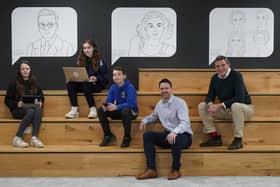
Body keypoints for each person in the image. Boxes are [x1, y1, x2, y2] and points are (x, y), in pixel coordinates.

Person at [136, 79, 193, 180]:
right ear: (160, 90)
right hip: (168, 135)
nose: (164, 90)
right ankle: (151, 169)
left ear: (171, 89)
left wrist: (175, 132)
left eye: (166, 88)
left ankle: (175, 170)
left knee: (175, 139)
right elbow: (154, 116)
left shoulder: (180, 103)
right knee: (148, 136)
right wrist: (144, 121)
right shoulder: (159, 104)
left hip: (184, 136)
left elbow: (185, 123)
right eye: (162, 89)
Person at [198, 55, 254, 150]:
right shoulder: (215, 78)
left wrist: (220, 105)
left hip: (244, 109)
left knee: (236, 106)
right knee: (202, 106)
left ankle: (238, 139)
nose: (220, 68)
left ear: (228, 65)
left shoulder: (236, 75)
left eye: (223, 65)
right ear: (215, 68)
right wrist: (210, 104)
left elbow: (240, 99)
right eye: (217, 66)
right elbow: (209, 96)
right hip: (227, 110)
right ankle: (214, 137)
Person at [5, 60, 45, 148]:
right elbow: (7, 100)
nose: (25, 70)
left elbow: (41, 97)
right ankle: (17, 138)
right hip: (18, 110)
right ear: (19, 70)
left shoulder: (35, 82)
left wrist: (40, 102)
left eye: (27, 68)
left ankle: (34, 138)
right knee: (31, 111)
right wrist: (17, 104)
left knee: (38, 109)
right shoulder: (13, 83)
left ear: (30, 70)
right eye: (23, 69)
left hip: (32, 108)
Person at [65, 40, 109, 118]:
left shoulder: (100, 60)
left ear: (93, 48)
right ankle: (74, 109)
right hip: (85, 84)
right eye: (84, 48)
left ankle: (93, 109)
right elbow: (80, 74)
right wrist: (73, 78)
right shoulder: (81, 59)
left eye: (88, 48)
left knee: (85, 83)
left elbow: (105, 78)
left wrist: (96, 78)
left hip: (96, 85)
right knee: (70, 83)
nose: (86, 50)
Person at [97, 67, 138, 148]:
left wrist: (117, 106)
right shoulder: (113, 87)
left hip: (131, 112)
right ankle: (108, 136)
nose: (116, 77)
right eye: (114, 75)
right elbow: (109, 101)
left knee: (125, 111)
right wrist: (106, 106)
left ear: (124, 76)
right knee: (100, 110)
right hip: (119, 111)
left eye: (119, 74)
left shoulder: (130, 87)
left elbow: (131, 104)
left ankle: (127, 137)